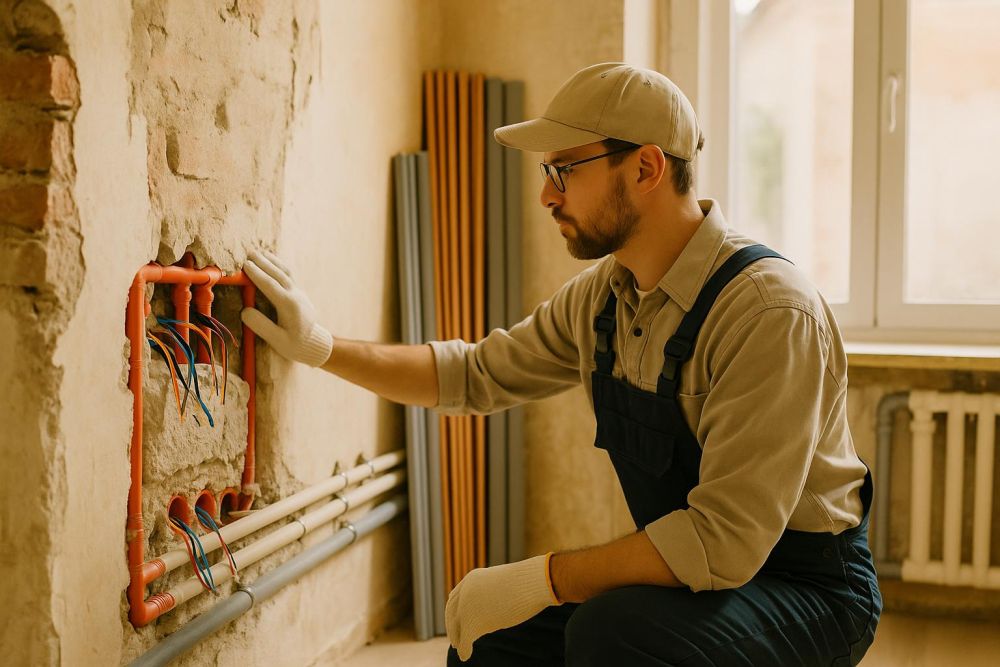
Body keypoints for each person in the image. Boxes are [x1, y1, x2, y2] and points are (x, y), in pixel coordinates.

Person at [241, 62, 881, 666]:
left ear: (647, 168)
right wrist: (321, 346)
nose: (547, 196)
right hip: (704, 573)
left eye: (565, 170)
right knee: (498, 639)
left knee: (613, 634)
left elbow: (723, 543)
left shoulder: (769, 314)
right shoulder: (605, 297)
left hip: (810, 590)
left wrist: (542, 577)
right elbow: (472, 374)